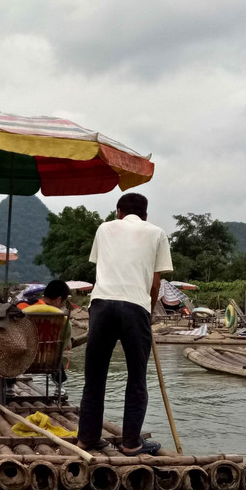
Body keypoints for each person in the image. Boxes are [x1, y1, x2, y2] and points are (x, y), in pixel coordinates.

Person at [76, 192, 173, 456]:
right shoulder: (157, 233)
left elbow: (101, 268)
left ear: (118, 211)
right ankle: (131, 443)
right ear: (145, 215)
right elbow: (155, 283)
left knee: (94, 378)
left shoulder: (103, 228)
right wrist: (149, 312)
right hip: (135, 307)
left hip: (101, 305)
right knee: (136, 378)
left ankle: (87, 438)